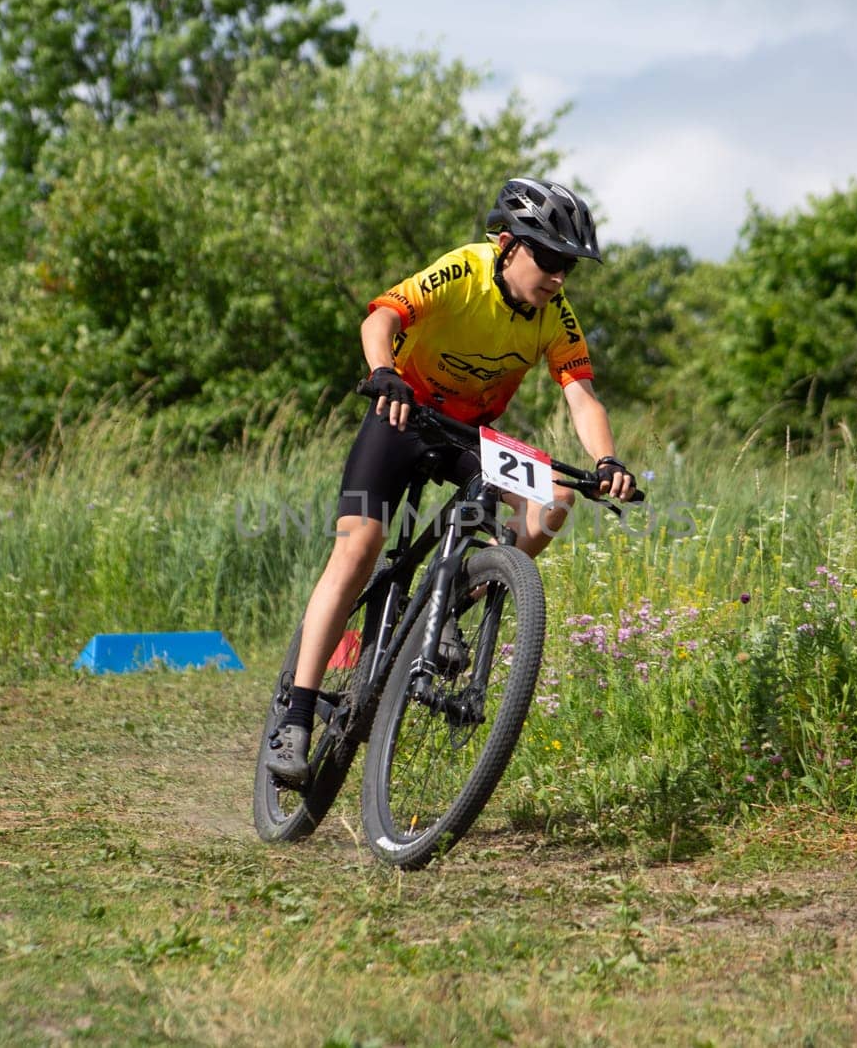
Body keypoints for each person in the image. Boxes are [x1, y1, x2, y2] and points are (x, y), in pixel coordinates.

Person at [265, 177, 637, 782]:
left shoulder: (555, 316)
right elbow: (380, 318)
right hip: (402, 415)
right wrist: (384, 373)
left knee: (554, 499)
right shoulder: (463, 271)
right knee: (358, 548)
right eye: (549, 258)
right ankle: (297, 716)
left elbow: (582, 398)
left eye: (569, 265)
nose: (559, 276)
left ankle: (450, 601)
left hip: (473, 437)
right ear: (509, 244)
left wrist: (608, 461)